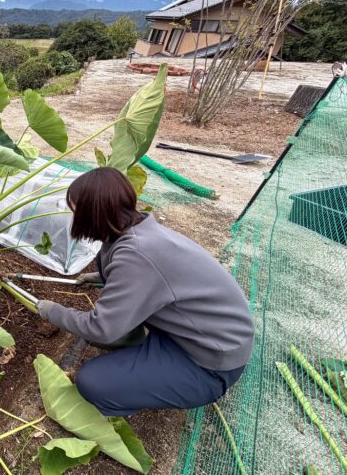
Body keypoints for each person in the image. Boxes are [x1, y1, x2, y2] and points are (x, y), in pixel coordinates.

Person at [36, 167, 254, 417]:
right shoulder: (141, 230)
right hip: (199, 335)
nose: (74, 218)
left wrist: (51, 311)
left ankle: (132, 397)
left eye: (76, 212)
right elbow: (154, 278)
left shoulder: (137, 256)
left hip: (210, 364)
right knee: (116, 332)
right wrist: (101, 276)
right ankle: (145, 364)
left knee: (92, 382)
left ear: (92, 214)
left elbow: (101, 329)